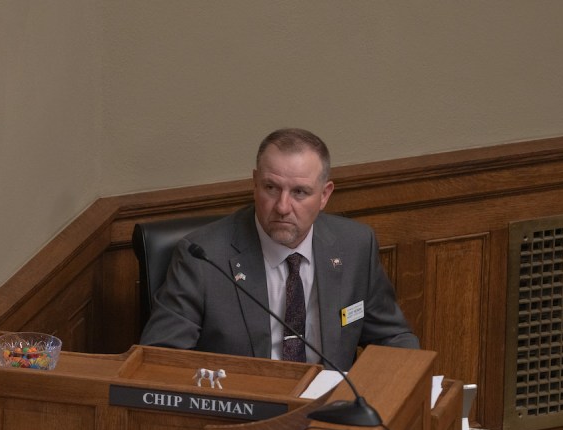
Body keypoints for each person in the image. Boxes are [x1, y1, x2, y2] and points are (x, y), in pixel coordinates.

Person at [139, 128, 419, 370]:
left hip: (333, 414)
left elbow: (392, 338)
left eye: (299, 192)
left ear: (324, 195)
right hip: (242, 415)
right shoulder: (202, 256)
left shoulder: (355, 245)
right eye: (271, 188)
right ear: (254, 184)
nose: (283, 207)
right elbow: (161, 359)